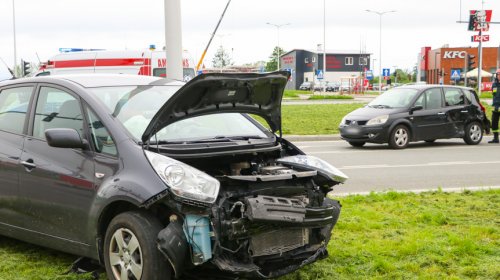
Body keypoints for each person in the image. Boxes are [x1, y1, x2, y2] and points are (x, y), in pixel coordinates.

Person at [489, 69, 500, 143]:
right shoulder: (494, 84)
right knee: (494, 123)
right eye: (498, 75)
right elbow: (494, 95)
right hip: (496, 107)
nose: (499, 76)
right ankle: (496, 138)